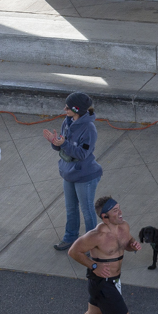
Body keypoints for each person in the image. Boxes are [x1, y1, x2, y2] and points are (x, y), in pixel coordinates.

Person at [61, 196, 143, 314]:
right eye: (115, 211)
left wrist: (132, 245)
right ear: (105, 217)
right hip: (102, 284)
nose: (120, 213)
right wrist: (94, 266)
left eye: (119, 208)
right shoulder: (96, 236)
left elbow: (126, 244)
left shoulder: (124, 227)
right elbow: (73, 251)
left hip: (114, 281)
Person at [45, 92, 103, 251]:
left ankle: (93, 244)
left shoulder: (89, 129)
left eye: (68, 107)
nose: (64, 109)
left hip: (85, 175)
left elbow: (82, 154)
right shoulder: (67, 121)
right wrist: (55, 142)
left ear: (77, 109)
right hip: (69, 172)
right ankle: (70, 238)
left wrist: (63, 144)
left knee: (87, 210)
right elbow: (62, 144)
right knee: (71, 208)